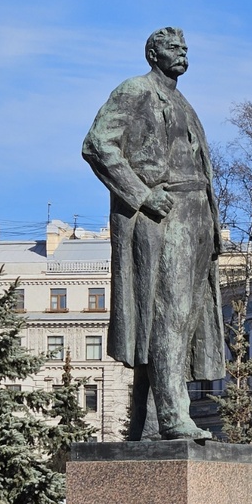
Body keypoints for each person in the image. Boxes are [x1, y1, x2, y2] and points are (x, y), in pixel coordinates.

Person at [82, 27, 226, 440]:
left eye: (185, 48)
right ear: (152, 54)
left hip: (196, 215)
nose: (181, 53)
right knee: (169, 314)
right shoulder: (135, 91)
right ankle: (174, 416)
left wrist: (212, 225)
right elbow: (98, 144)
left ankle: (145, 425)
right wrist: (143, 195)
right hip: (164, 216)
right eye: (172, 48)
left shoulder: (183, 103)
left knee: (185, 318)